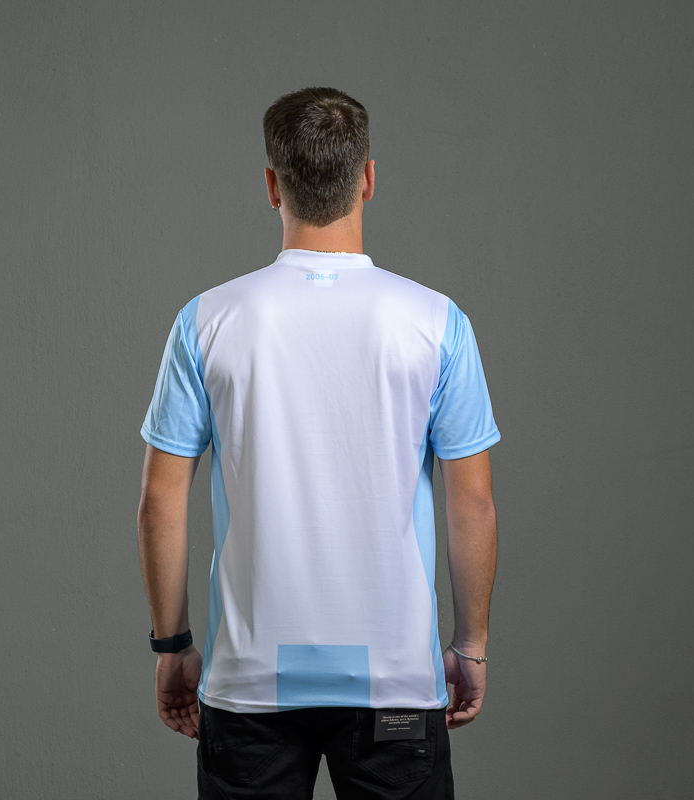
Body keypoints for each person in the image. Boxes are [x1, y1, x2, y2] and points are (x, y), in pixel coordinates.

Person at [137, 86, 500, 800]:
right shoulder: (436, 323)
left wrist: (172, 645)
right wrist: (471, 648)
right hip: (396, 683)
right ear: (368, 179)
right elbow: (474, 504)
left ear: (273, 186)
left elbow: (159, 503)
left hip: (249, 685)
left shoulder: (207, 321)